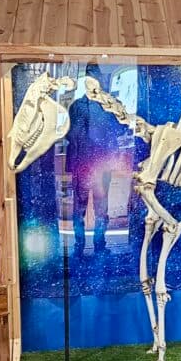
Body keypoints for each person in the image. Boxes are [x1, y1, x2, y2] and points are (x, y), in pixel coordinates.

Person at [67, 64, 123, 256]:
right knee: (79, 208)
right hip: (82, 164)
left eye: (94, 78)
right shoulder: (76, 107)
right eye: (88, 79)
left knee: (101, 208)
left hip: (100, 165)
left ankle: (99, 244)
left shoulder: (108, 105)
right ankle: (79, 245)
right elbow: (69, 134)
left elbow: (118, 130)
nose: (91, 82)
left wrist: (112, 158)